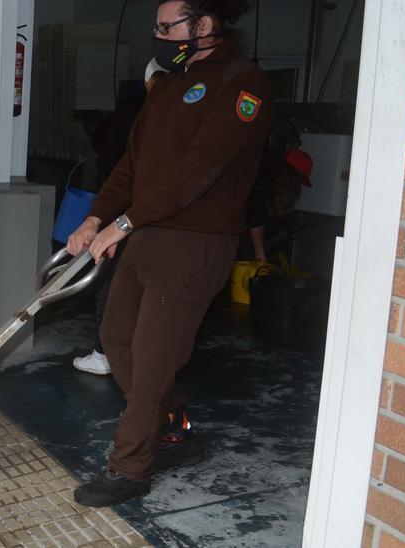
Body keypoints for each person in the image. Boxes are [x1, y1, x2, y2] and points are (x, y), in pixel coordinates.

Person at [65, 0, 273, 507]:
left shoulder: (243, 86)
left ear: (203, 25)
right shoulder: (168, 84)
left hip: (196, 242)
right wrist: (97, 217)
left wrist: (123, 222)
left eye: (166, 27)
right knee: (117, 340)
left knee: (155, 360)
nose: (158, 36)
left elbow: (197, 172)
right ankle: (175, 429)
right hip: (147, 232)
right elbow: (130, 166)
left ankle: (130, 467)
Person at [73, 61, 167, 376]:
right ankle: (115, 351)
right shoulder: (147, 116)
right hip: (127, 207)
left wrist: (115, 221)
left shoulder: (147, 114)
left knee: (115, 283)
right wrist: (96, 219)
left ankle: (106, 353)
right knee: (125, 284)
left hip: (138, 214)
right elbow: (125, 171)